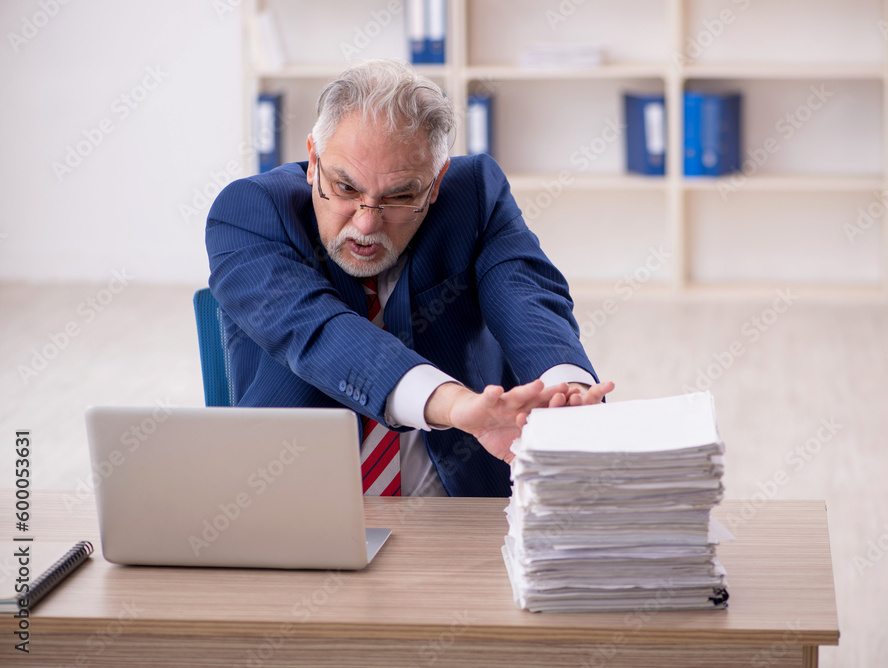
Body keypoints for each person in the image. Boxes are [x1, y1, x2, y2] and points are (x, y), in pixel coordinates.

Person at [206, 59, 613, 498]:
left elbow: (526, 296)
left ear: (435, 183)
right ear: (312, 160)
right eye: (345, 189)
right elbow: (321, 333)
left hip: (461, 511)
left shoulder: (474, 195)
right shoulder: (248, 213)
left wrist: (564, 394)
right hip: (293, 511)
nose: (365, 225)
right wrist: (455, 405)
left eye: (399, 196)